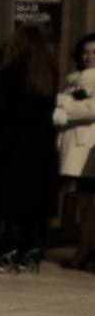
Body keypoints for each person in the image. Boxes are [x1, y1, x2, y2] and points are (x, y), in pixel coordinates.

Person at [0, 26, 60, 272]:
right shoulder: (49, 75)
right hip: (42, 147)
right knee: (34, 204)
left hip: (12, 147)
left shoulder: (10, 73)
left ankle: (8, 251)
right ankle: (31, 252)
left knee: (7, 202)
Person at [54, 33, 95, 269]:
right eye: (85, 52)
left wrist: (64, 107)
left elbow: (91, 109)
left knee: (88, 204)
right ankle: (84, 248)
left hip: (87, 148)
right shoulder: (73, 78)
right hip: (72, 145)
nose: (89, 56)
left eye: (94, 52)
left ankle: (84, 250)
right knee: (84, 204)